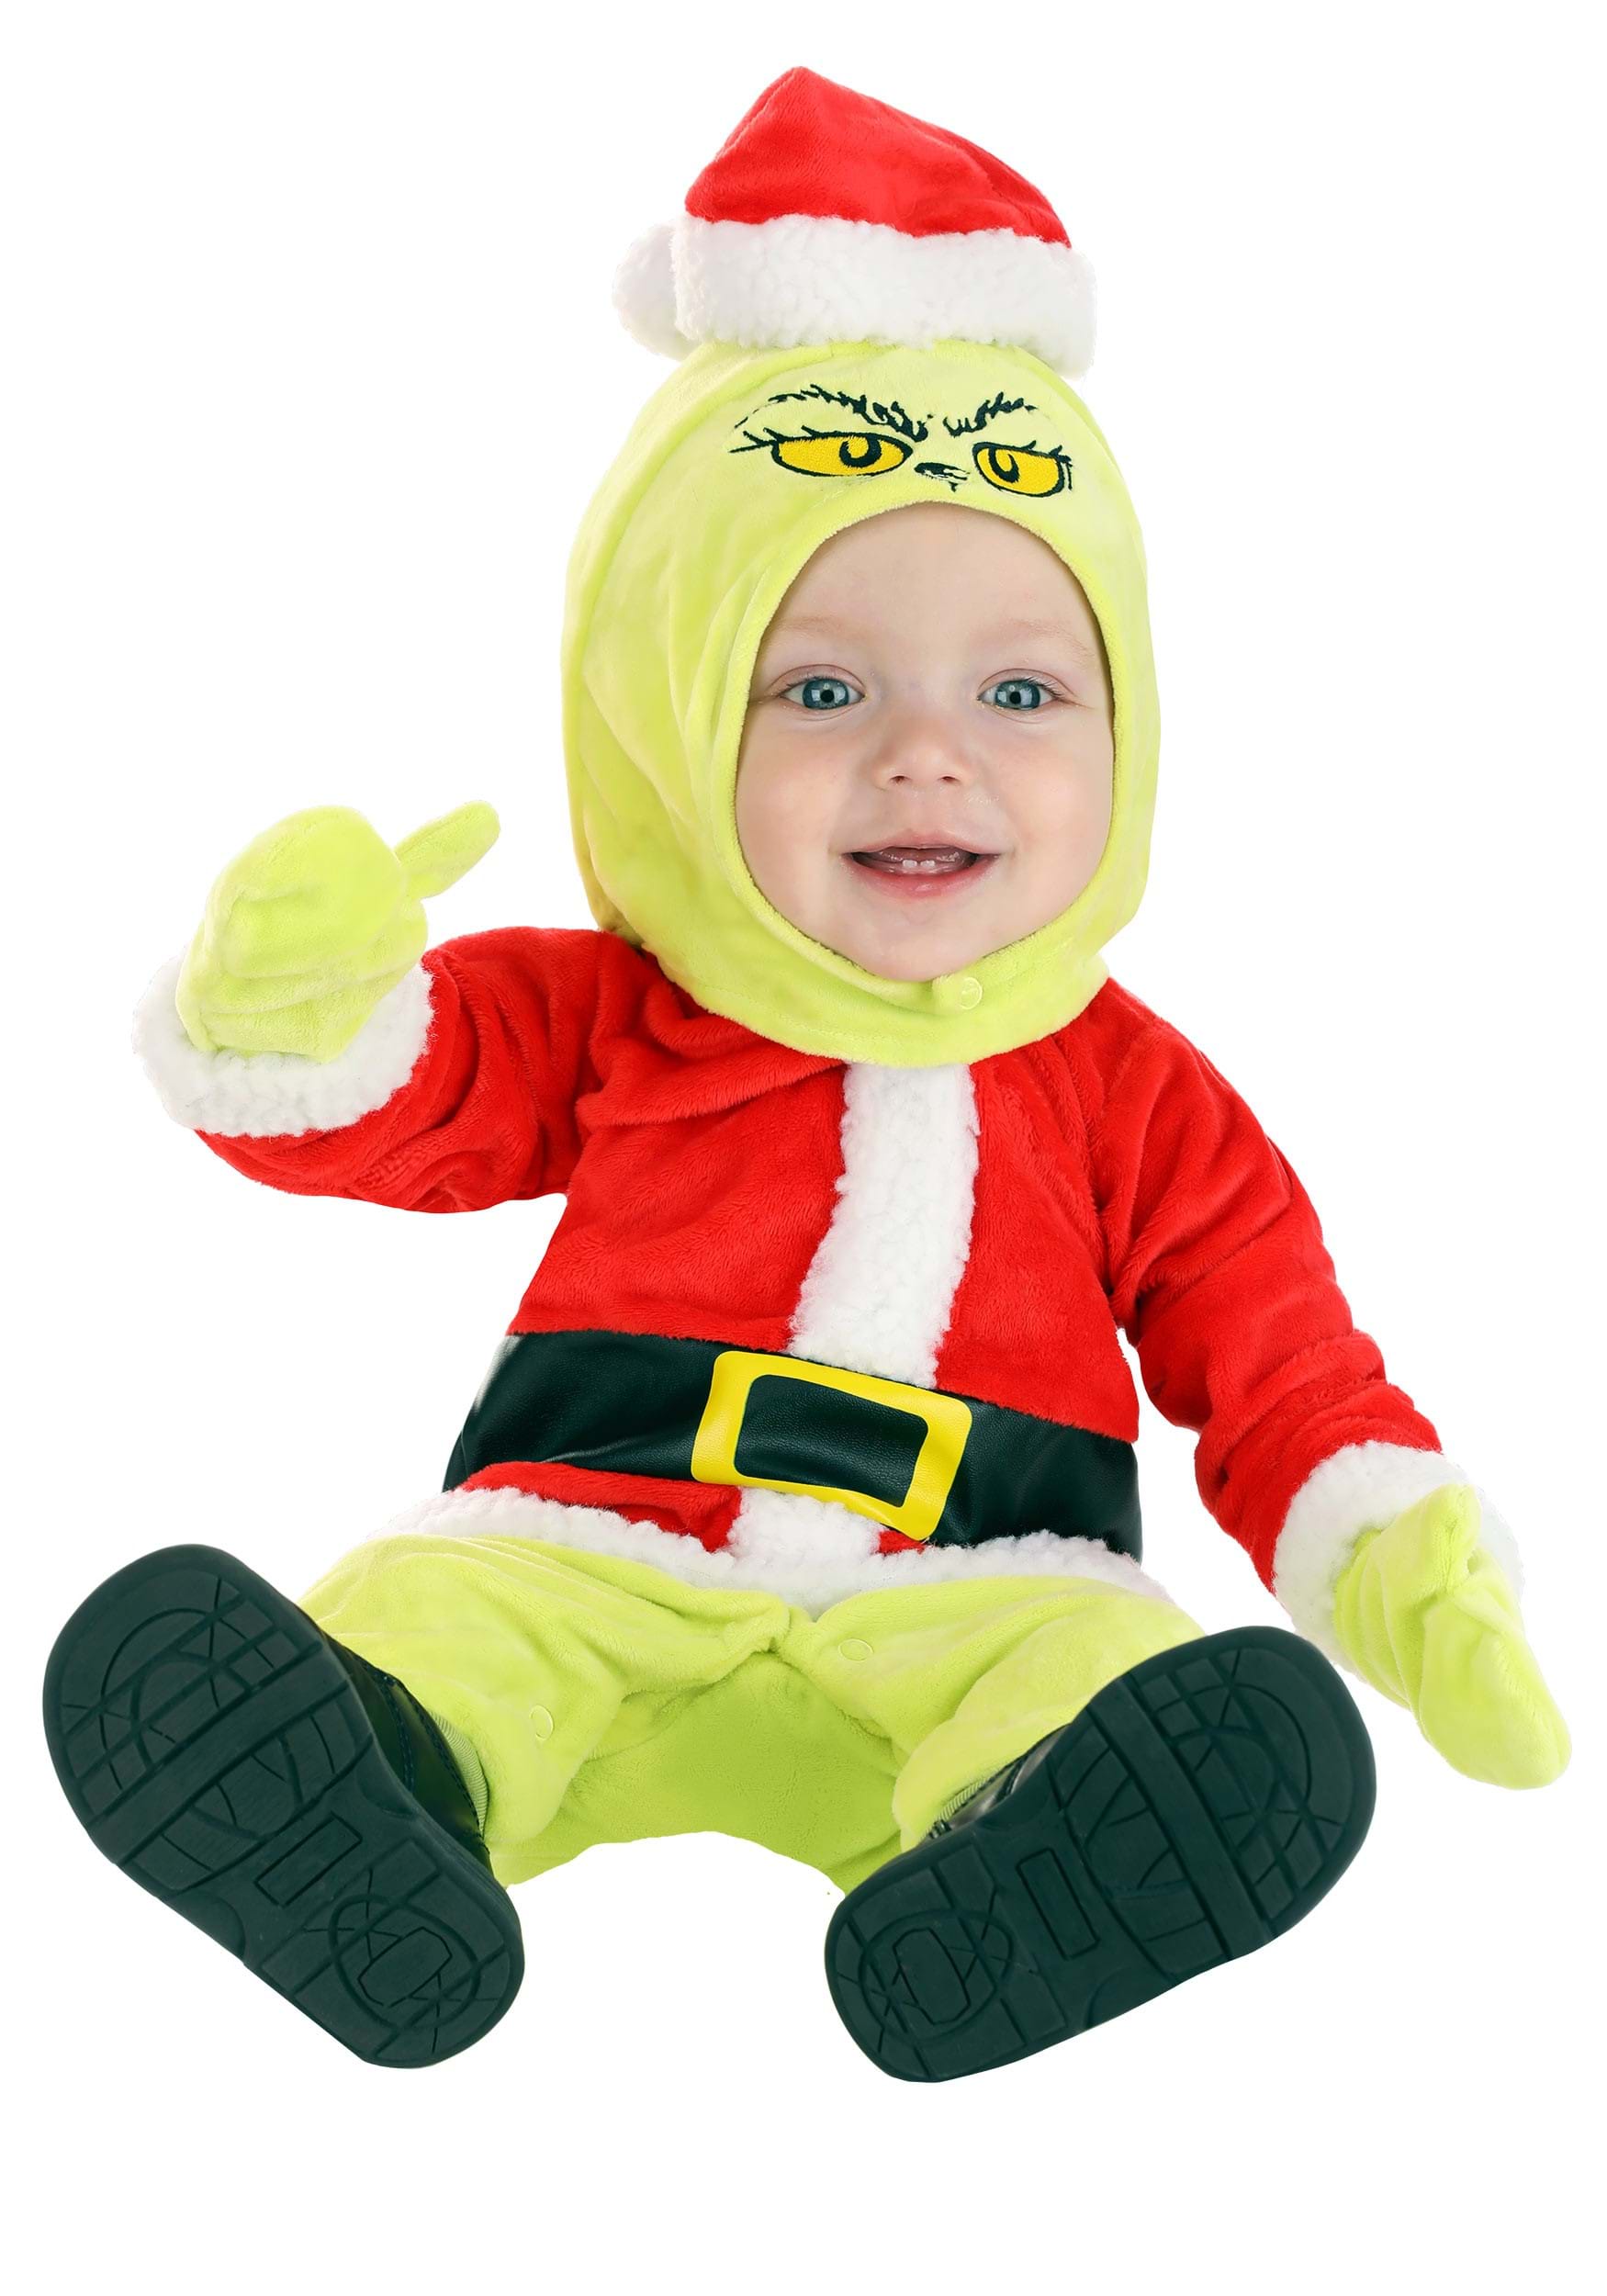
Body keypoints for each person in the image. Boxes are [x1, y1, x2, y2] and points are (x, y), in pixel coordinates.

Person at [43, 68, 1568, 2084]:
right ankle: (384, 1784)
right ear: (663, 728)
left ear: (1128, 730)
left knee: (1092, 1657)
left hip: (971, 1588)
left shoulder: (1137, 1099)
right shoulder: (620, 1009)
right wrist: (303, 997)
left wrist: (1397, 1563)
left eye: (1018, 690)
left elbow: (1277, 1363)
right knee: (437, 1606)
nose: (924, 754)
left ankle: (1031, 1849)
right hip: (592, 1547)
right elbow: (403, 1101)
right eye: (819, 688)